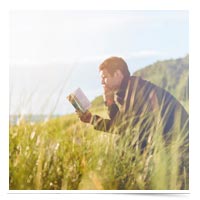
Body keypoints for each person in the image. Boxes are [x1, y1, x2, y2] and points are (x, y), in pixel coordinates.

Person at [76, 56, 189, 188]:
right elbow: (121, 124)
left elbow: (121, 128)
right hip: (163, 141)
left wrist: (105, 107)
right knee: (125, 145)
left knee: (125, 145)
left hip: (179, 142)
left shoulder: (136, 89)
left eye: (105, 77)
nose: (102, 82)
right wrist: (95, 116)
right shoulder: (124, 91)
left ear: (118, 74)